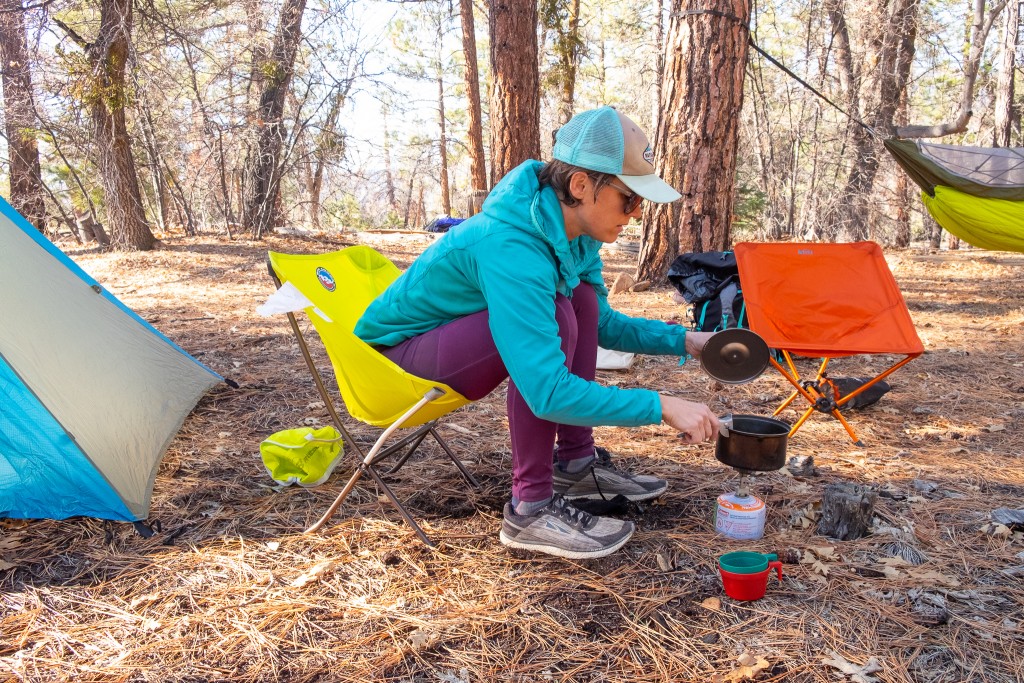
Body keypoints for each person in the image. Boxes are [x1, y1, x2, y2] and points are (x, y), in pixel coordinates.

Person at [355, 106, 720, 559]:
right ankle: (531, 507)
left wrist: (686, 341)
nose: (637, 213)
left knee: (580, 303)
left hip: (445, 345)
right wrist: (660, 405)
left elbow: (601, 323)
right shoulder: (511, 245)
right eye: (630, 199)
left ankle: (575, 464)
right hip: (390, 366)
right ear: (582, 185)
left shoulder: (574, 231)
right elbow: (546, 390)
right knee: (556, 314)